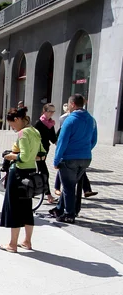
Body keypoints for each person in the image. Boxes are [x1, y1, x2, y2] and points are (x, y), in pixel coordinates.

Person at [49, 94, 97, 224]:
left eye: (69, 104)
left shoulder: (70, 120)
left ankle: (69, 214)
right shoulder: (91, 120)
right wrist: (85, 150)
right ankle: (59, 209)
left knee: (69, 187)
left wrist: (56, 159)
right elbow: (94, 140)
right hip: (86, 158)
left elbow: (62, 142)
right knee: (69, 185)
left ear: (72, 104)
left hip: (70, 158)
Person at [0, 107, 41, 252]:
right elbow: (41, 154)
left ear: (17, 119)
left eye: (12, 124)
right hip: (30, 172)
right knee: (27, 208)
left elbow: (23, 157)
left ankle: (12, 244)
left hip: (18, 173)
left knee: (14, 208)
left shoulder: (22, 133)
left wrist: (11, 156)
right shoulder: (35, 131)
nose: (12, 128)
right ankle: (27, 241)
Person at [33, 103, 58, 204]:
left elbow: (53, 138)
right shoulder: (38, 123)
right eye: (50, 111)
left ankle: (34, 190)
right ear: (44, 111)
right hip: (37, 152)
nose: (51, 113)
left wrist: (61, 148)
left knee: (38, 172)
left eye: (53, 111)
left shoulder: (50, 124)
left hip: (45, 152)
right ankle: (48, 195)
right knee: (44, 173)